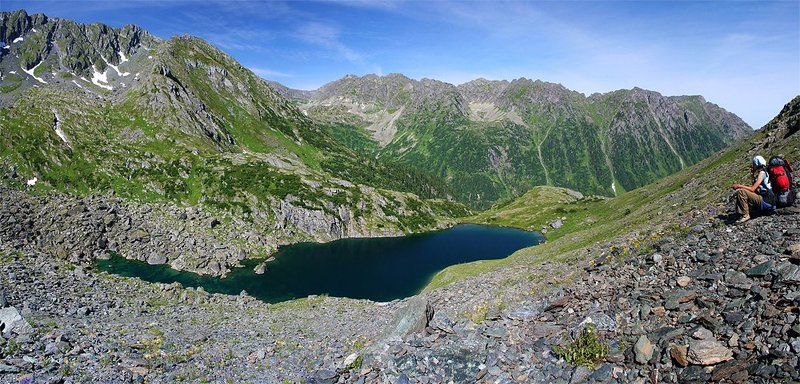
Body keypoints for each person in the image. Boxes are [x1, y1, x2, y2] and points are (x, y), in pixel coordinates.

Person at [732, 155, 776, 223]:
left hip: (766, 201)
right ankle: (742, 213)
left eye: (754, 164)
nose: (753, 165)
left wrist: (738, 186)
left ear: (756, 163)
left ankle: (745, 215)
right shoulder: (765, 171)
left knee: (741, 192)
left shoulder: (762, 173)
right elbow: (755, 187)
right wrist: (752, 175)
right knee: (744, 191)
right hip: (768, 200)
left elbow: (752, 189)